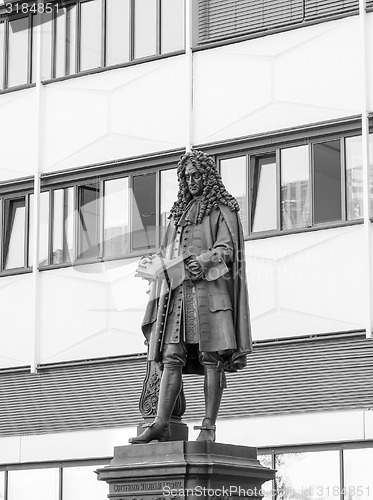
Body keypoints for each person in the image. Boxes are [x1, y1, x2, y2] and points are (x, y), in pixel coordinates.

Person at [129, 150, 252, 444]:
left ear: (207, 176)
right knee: (171, 355)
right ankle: (160, 423)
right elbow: (165, 252)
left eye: (196, 175)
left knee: (212, 358)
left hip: (209, 293)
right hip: (177, 296)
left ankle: (208, 426)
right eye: (187, 176)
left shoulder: (223, 209)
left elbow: (227, 249)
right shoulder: (178, 213)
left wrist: (204, 261)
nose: (192, 180)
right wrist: (154, 266)